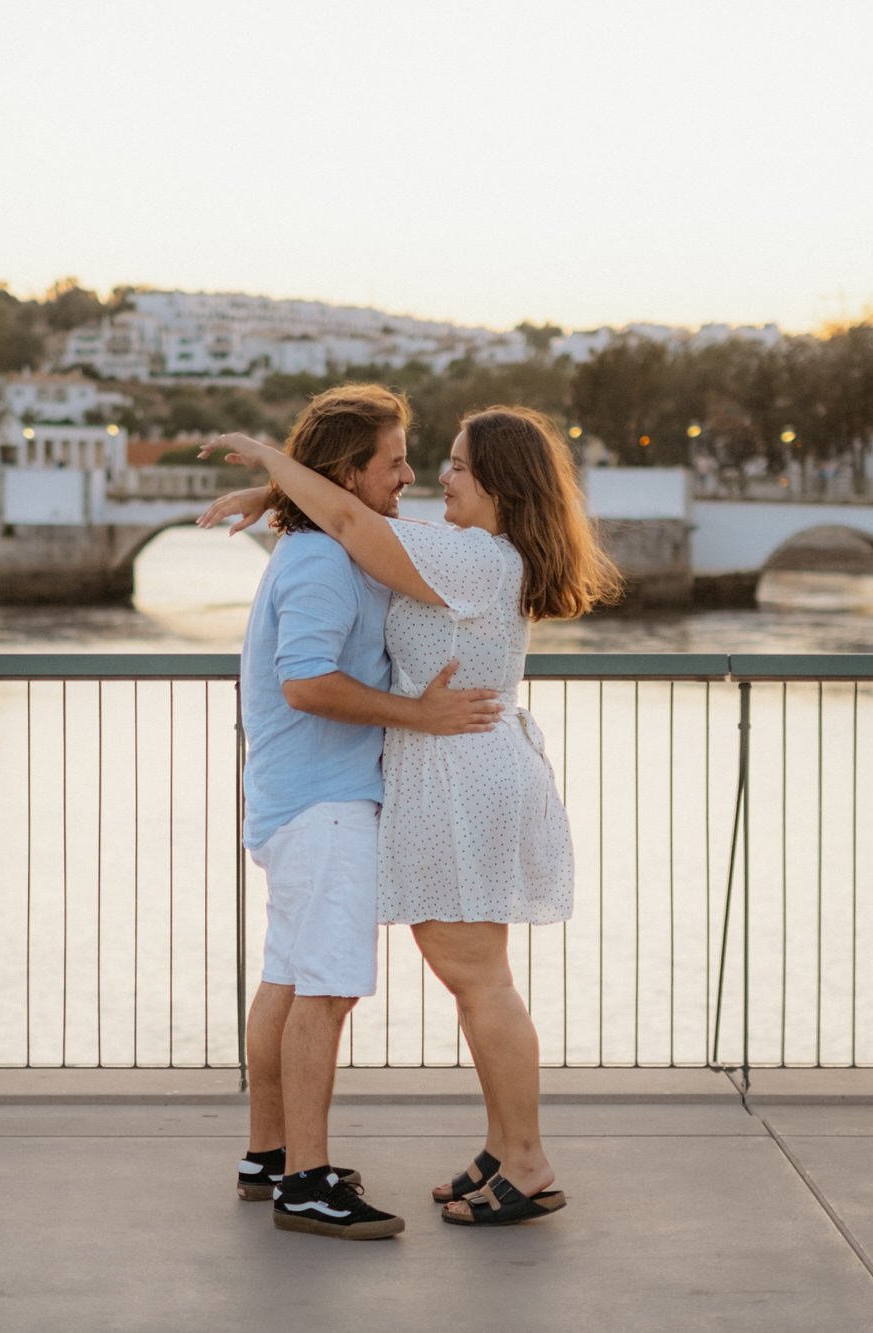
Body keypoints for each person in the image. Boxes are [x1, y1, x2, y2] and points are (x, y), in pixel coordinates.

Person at [204, 406, 622, 1227]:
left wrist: (268, 462)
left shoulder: (470, 559)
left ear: (499, 483)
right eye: (428, 461)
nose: (438, 477)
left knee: (480, 980)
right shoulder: (464, 552)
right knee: (473, 980)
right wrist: (276, 490)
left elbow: (354, 515)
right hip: (449, 772)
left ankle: (526, 1159)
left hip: (462, 773)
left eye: (459, 465)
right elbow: (352, 516)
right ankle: (502, 1150)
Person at [228, 384, 502, 1241]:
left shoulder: (324, 545)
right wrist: (420, 715)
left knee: (287, 978)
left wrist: (271, 488)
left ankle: (268, 1157)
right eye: (393, 462)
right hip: (325, 805)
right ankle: (307, 1183)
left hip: (298, 800)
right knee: (329, 989)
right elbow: (306, 681)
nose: (409, 476)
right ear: (350, 472)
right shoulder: (317, 561)